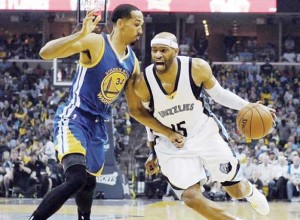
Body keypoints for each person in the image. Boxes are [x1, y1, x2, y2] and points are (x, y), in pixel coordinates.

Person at [29, 5, 182, 220]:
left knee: (89, 181)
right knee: (76, 178)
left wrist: (166, 132)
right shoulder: (96, 42)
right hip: (75, 117)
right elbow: (45, 53)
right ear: (120, 23)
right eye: (136, 24)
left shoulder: (132, 63)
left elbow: (136, 110)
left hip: (99, 125)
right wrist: (79, 34)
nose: (140, 30)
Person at [133, 32, 276, 219]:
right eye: (154, 51)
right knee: (191, 198)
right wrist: (152, 151)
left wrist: (249, 106)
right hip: (171, 143)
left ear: (176, 51)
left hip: (204, 133)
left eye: (163, 50)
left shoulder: (196, 67)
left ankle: (249, 190)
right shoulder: (143, 82)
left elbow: (219, 94)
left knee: (235, 191)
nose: (158, 55)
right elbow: (147, 119)